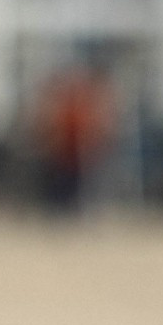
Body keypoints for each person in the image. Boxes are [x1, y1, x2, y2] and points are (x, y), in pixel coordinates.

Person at [35, 62, 115, 212]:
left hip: (79, 156)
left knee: (75, 185)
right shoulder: (64, 107)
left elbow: (96, 129)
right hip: (61, 155)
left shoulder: (83, 106)